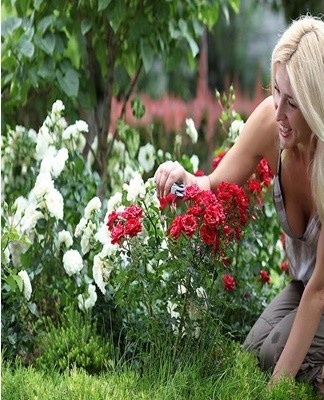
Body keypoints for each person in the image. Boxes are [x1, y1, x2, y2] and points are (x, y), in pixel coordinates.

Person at [154, 15, 324, 392]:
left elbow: (320, 292)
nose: (277, 111)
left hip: (320, 288)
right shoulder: (271, 122)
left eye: (292, 103)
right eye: (276, 91)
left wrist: (273, 392)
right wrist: (182, 179)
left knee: (278, 361)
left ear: (316, 104)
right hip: (304, 282)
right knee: (257, 352)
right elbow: (213, 184)